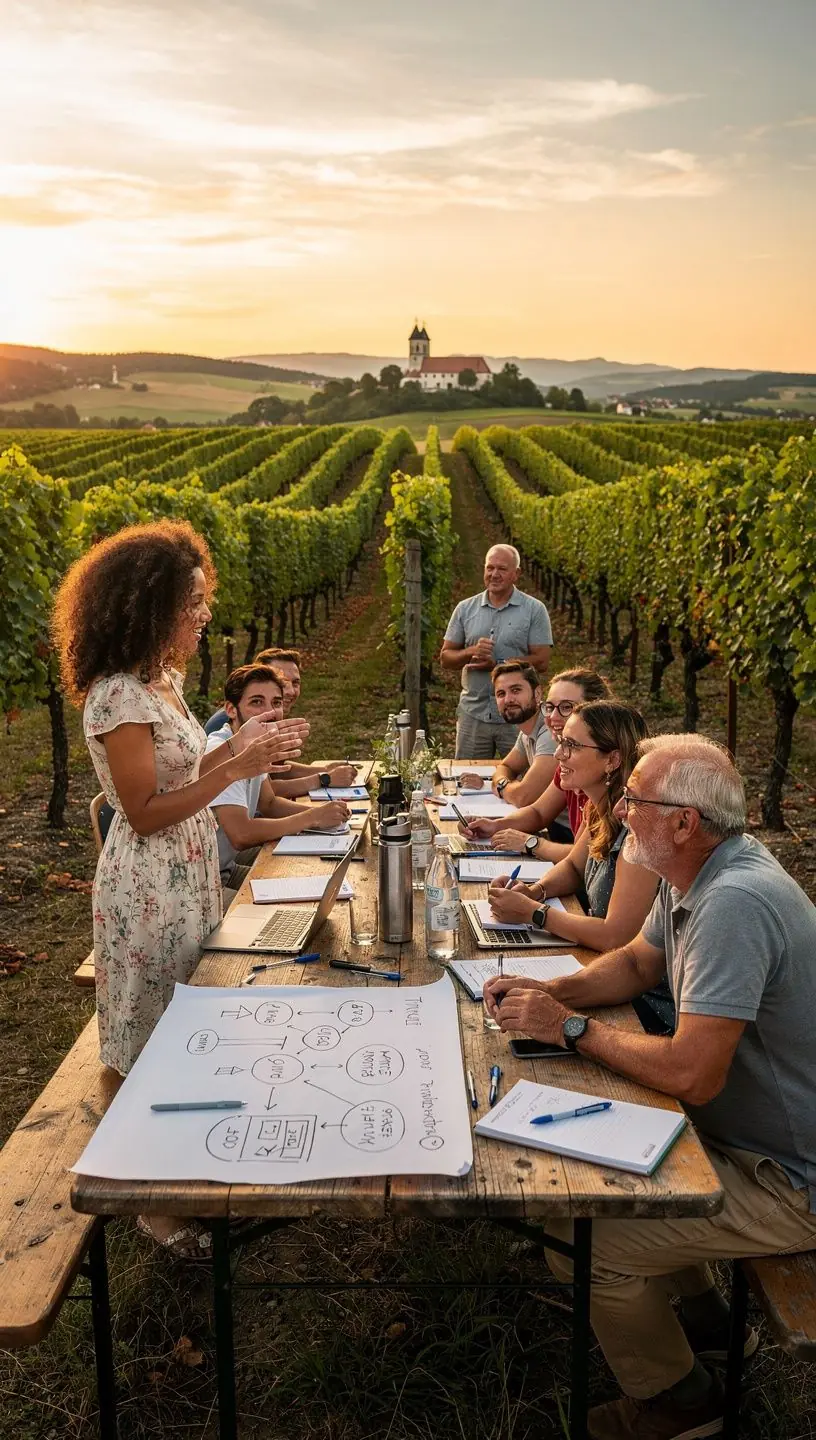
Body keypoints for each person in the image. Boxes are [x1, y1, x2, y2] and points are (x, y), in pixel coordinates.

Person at [485, 735, 816, 1440]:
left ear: (685, 821)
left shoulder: (733, 905)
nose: (619, 810)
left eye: (635, 799)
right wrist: (550, 992)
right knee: (597, 1183)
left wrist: (570, 1030)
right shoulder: (697, 870)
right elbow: (637, 963)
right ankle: (710, 1327)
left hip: (792, 1179)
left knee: (582, 1239)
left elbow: (694, 1073)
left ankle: (681, 1402)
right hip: (747, 1141)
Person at [52, 520, 308, 1255]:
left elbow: (187, 771)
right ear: (150, 605)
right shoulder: (117, 696)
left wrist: (247, 747)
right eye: (192, 602)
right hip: (148, 882)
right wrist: (235, 769)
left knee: (187, 1017)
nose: (205, 613)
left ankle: (185, 1169)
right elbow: (143, 809)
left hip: (187, 868)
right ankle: (151, 1203)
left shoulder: (161, 680)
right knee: (146, 1035)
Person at [486, 700, 663, 958]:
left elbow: (616, 936)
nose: (558, 754)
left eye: (572, 745)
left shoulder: (639, 829)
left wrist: (533, 912)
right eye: (561, 743)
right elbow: (573, 868)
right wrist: (534, 891)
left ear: (612, 759)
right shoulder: (598, 807)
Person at [206, 663, 351, 897]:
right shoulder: (221, 748)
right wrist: (312, 818)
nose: (270, 712)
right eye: (257, 702)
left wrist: (324, 813)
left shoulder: (256, 744)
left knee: (310, 880)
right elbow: (241, 834)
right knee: (293, 905)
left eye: (276, 703)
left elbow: (269, 803)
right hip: (206, 884)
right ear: (231, 710)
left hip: (226, 868)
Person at [460, 669, 612, 861]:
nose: (553, 717)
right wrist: (495, 826)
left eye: (567, 707)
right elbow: (539, 812)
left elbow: (583, 859)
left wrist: (531, 843)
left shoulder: (605, 769)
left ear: (597, 709)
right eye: (549, 707)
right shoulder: (567, 758)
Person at [440, 544, 552, 759]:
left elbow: (542, 661)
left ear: (516, 573)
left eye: (502, 569)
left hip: (519, 717)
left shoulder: (534, 610)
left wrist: (499, 664)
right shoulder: (465, 609)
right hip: (473, 713)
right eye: (490, 568)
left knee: (522, 776)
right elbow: (446, 658)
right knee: (468, 775)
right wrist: (470, 652)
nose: (494, 574)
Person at [205, 646, 356, 798]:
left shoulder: (263, 715)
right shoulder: (230, 725)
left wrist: (324, 770)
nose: (290, 691)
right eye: (282, 682)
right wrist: (325, 778)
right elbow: (267, 793)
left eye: (295, 683)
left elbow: (274, 771)